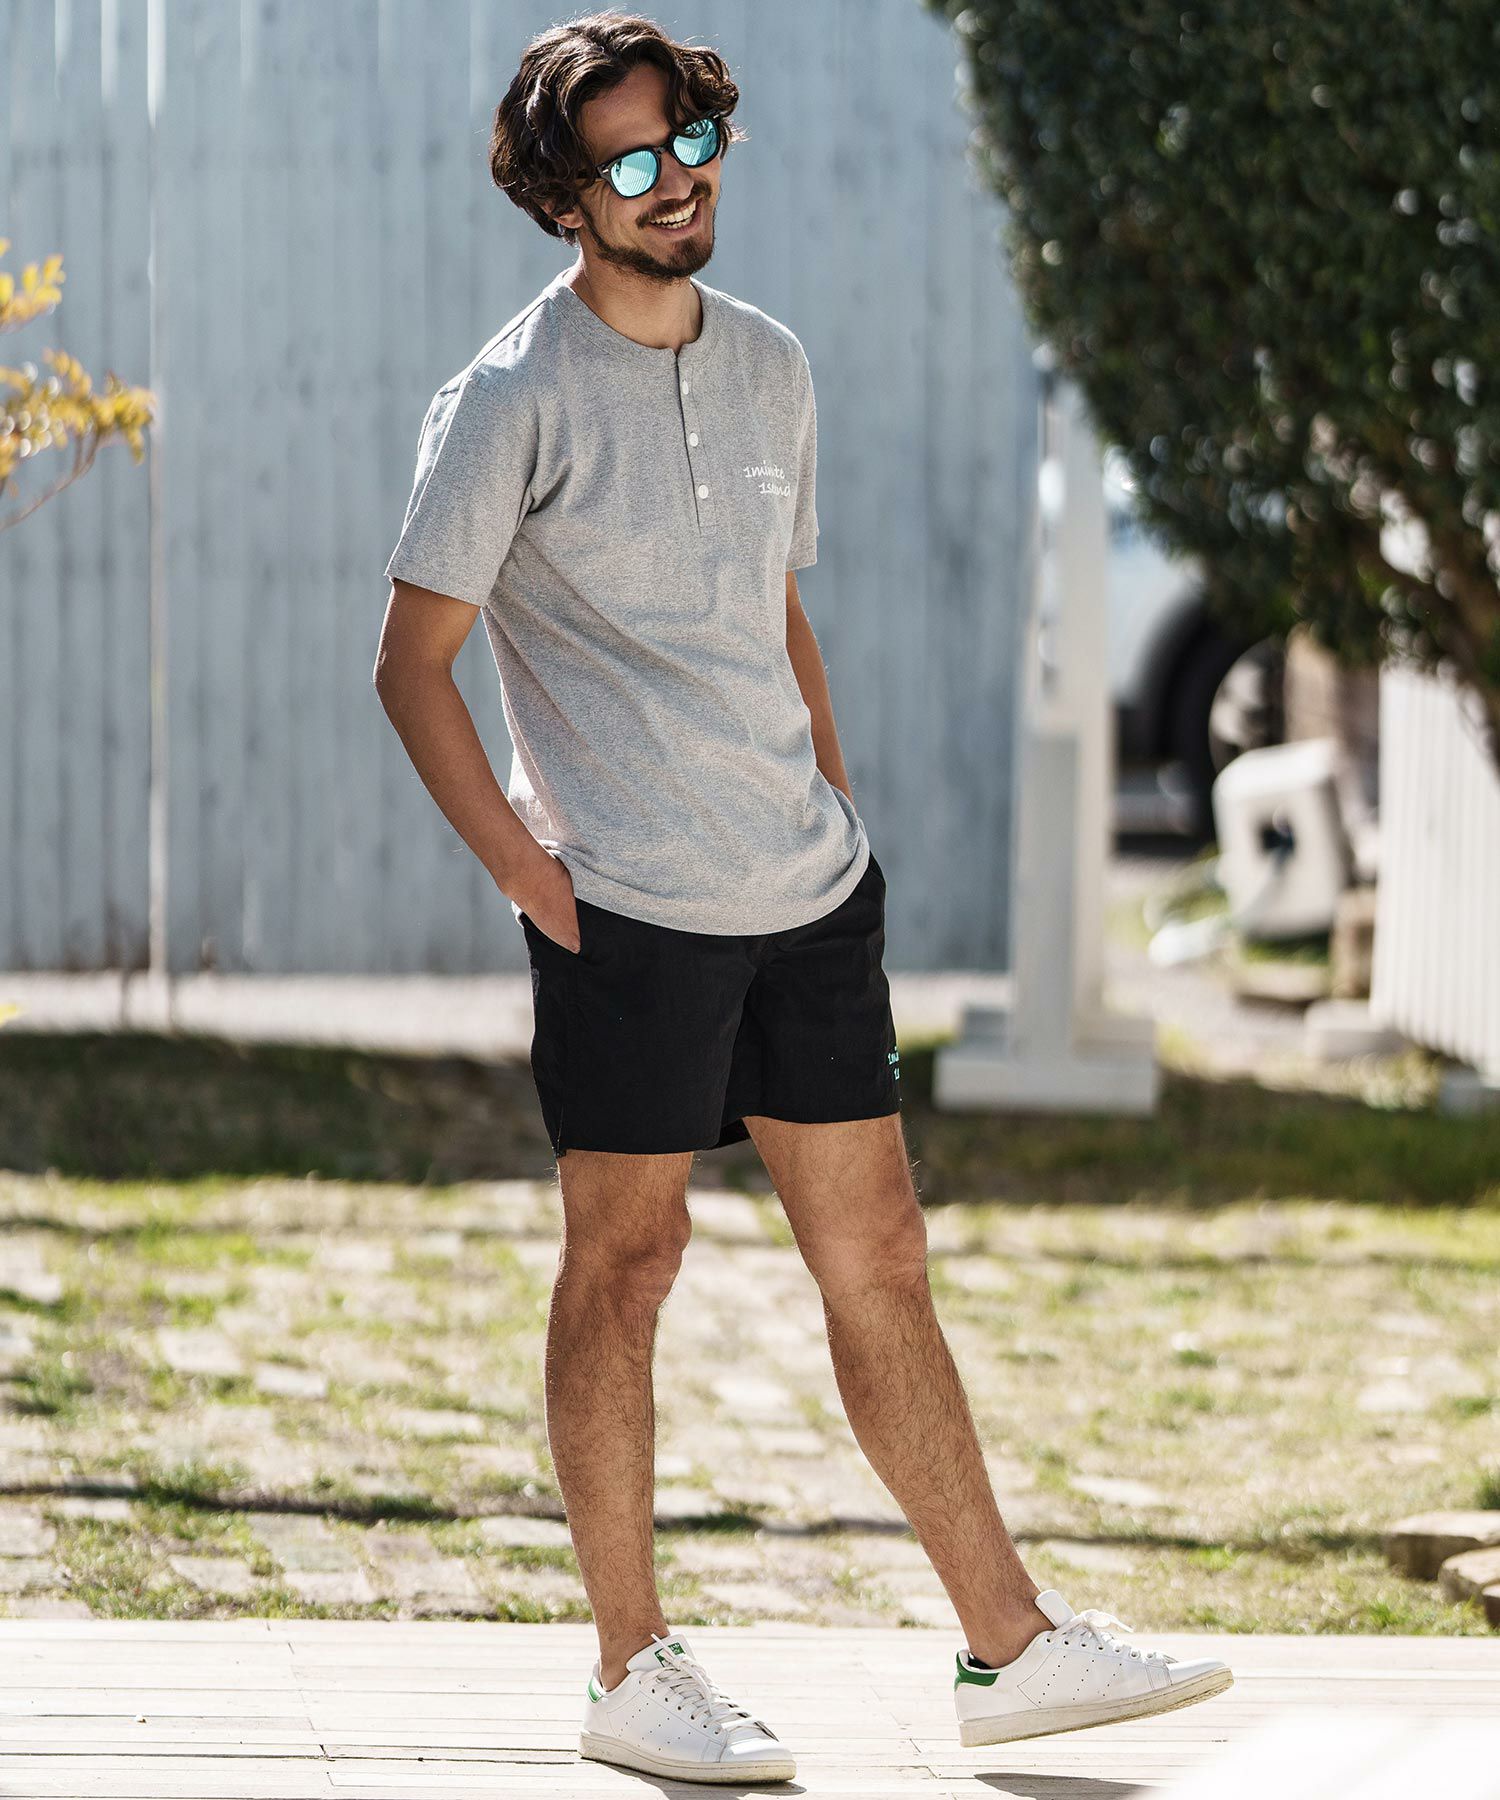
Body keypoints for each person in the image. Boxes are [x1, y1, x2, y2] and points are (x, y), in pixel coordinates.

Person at [373, 9, 1232, 1784]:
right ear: (561, 198)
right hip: (627, 910)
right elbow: (412, 664)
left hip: (806, 894)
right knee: (629, 1266)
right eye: (627, 160)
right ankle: (632, 1669)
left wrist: (832, 794)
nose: (672, 181)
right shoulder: (510, 399)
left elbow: (771, 606)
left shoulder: (772, 365)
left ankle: (1010, 1649)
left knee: (883, 1260)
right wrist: (531, 873)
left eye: (688, 141)